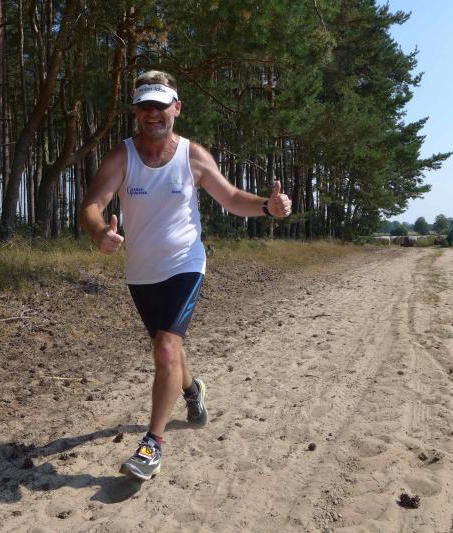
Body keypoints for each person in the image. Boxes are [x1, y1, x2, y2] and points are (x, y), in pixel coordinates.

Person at [79, 70, 292, 481]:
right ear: (135, 112)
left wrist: (267, 206)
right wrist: (100, 232)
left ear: (176, 108)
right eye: (145, 106)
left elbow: (231, 198)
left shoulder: (192, 156)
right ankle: (192, 391)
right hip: (141, 273)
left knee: (164, 350)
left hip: (185, 264)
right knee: (169, 350)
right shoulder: (122, 157)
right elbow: (91, 205)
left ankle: (151, 446)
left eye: (160, 105)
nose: (152, 114)